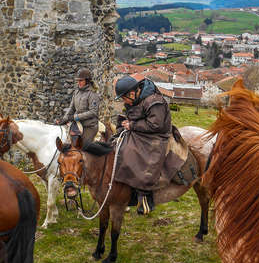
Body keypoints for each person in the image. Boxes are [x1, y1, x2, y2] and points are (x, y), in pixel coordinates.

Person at [113, 75, 172, 215]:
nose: (124, 101)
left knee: (136, 154)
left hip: (157, 135)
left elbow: (155, 124)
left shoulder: (154, 101)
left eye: (124, 98)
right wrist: (125, 123)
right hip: (143, 131)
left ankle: (145, 194)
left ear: (132, 93)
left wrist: (132, 125)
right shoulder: (137, 99)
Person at [56, 68, 101, 146]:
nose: (78, 83)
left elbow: (93, 112)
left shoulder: (92, 94)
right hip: (77, 123)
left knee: (82, 146)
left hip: (89, 126)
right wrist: (64, 119)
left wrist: (75, 117)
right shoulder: (76, 92)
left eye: (81, 80)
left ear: (87, 81)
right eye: (77, 81)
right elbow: (72, 108)